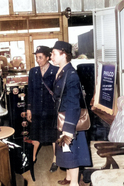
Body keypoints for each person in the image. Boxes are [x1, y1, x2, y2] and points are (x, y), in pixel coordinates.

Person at [51, 41, 91, 186]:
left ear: (63, 54)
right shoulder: (62, 71)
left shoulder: (71, 74)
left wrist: (68, 130)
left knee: (71, 154)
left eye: (54, 54)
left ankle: (74, 183)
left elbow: (74, 105)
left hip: (70, 121)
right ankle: (68, 178)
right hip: (63, 118)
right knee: (65, 153)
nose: (51, 57)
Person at [26, 45, 59, 172]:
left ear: (47, 57)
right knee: (35, 135)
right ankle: (32, 159)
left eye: (40, 57)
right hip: (37, 109)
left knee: (53, 137)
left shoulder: (55, 70)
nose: (37, 60)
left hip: (51, 110)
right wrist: (29, 109)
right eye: (36, 57)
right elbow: (30, 91)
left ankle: (55, 161)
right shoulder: (33, 71)